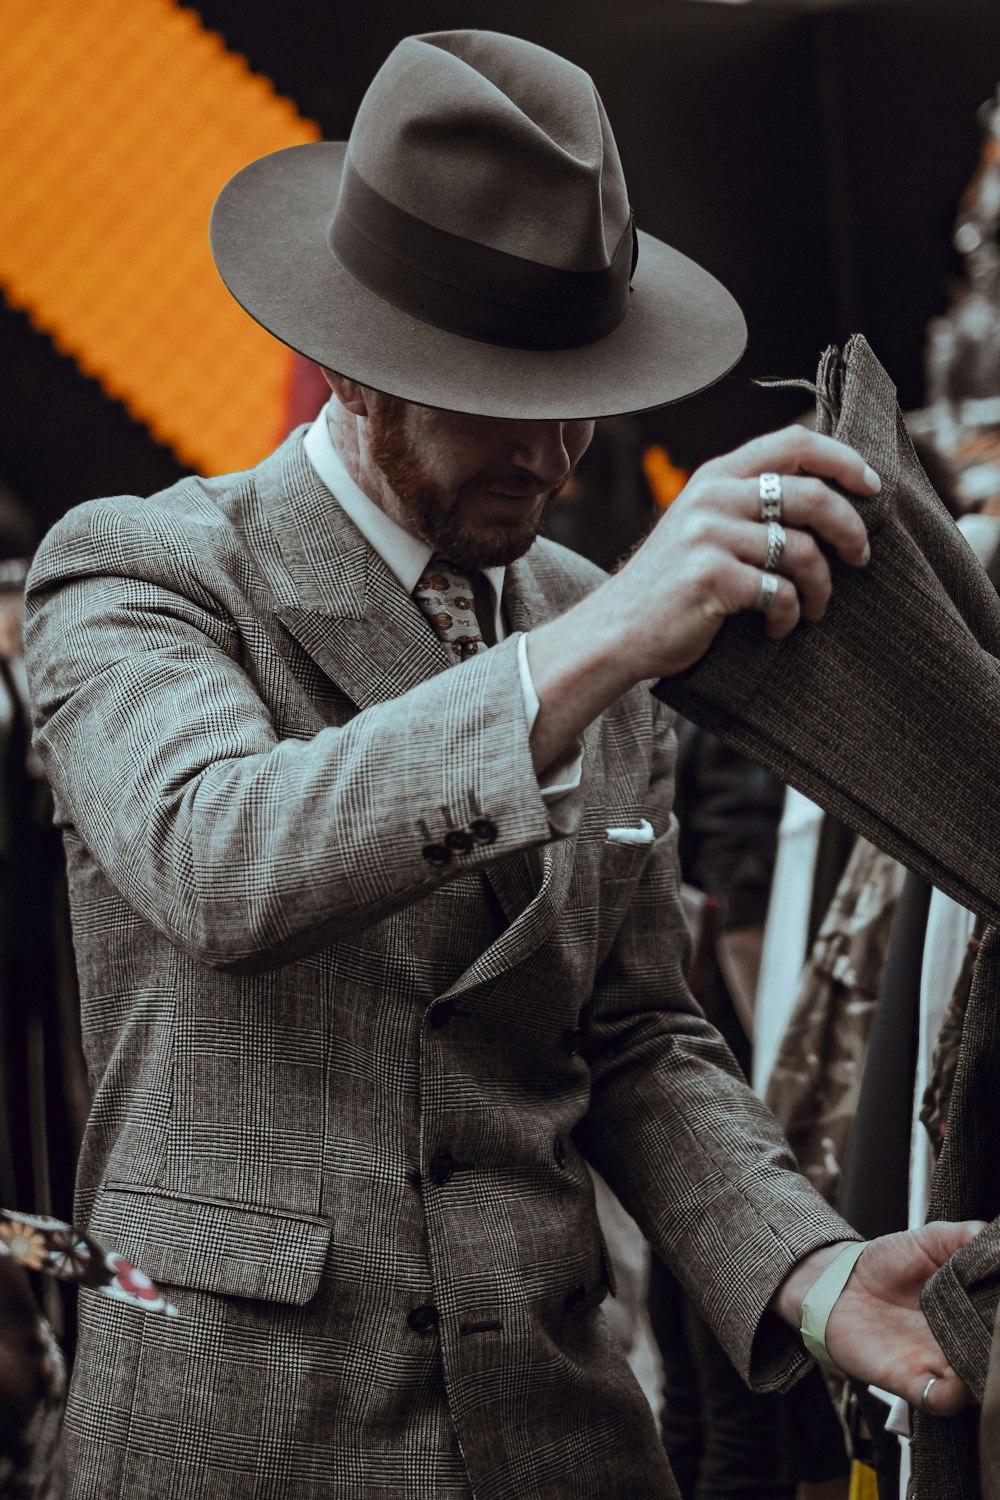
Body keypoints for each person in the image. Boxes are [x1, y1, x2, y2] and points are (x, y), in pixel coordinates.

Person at [23, 29, 980, 1500]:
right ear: (351, 368)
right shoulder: (140, 570)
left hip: (559, 1436)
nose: (552, 451)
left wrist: (811, 1266)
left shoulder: (589, 615)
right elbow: (220, 858)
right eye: (493, 394)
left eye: (580, 386)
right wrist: (593, 651)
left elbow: (638, 1040)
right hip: (241, 1440)